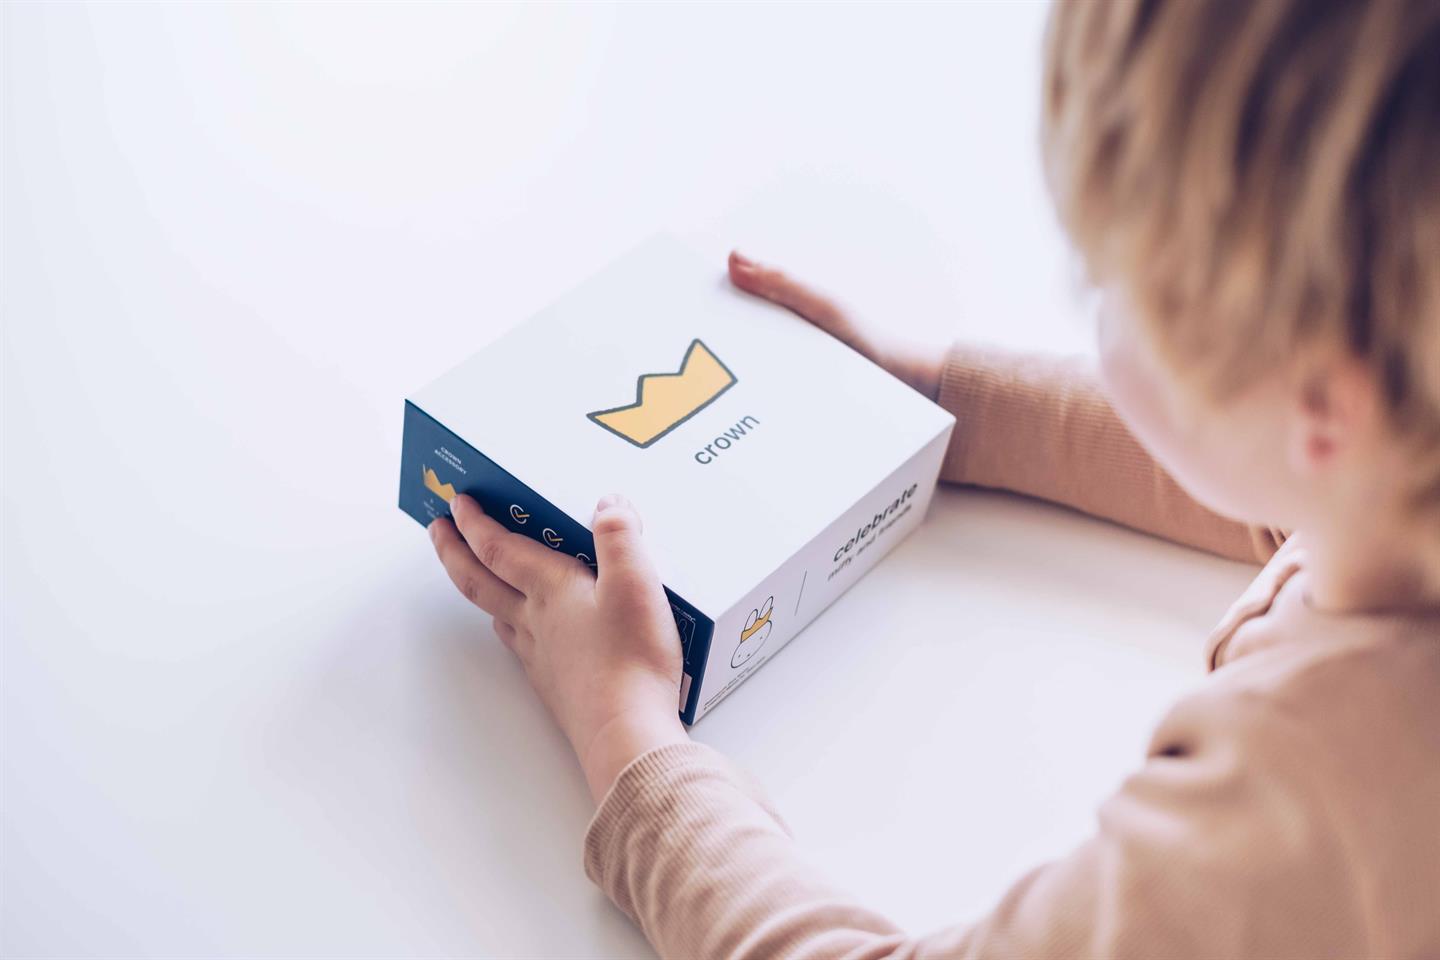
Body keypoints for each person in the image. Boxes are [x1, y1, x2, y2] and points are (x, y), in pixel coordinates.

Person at [427, 1, 1440, 955]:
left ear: (1323, 407)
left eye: (1115, 287)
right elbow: (1296, 490)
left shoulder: (1299, 813)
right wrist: (942, 396)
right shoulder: (1397, 471)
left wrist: (626, 726)